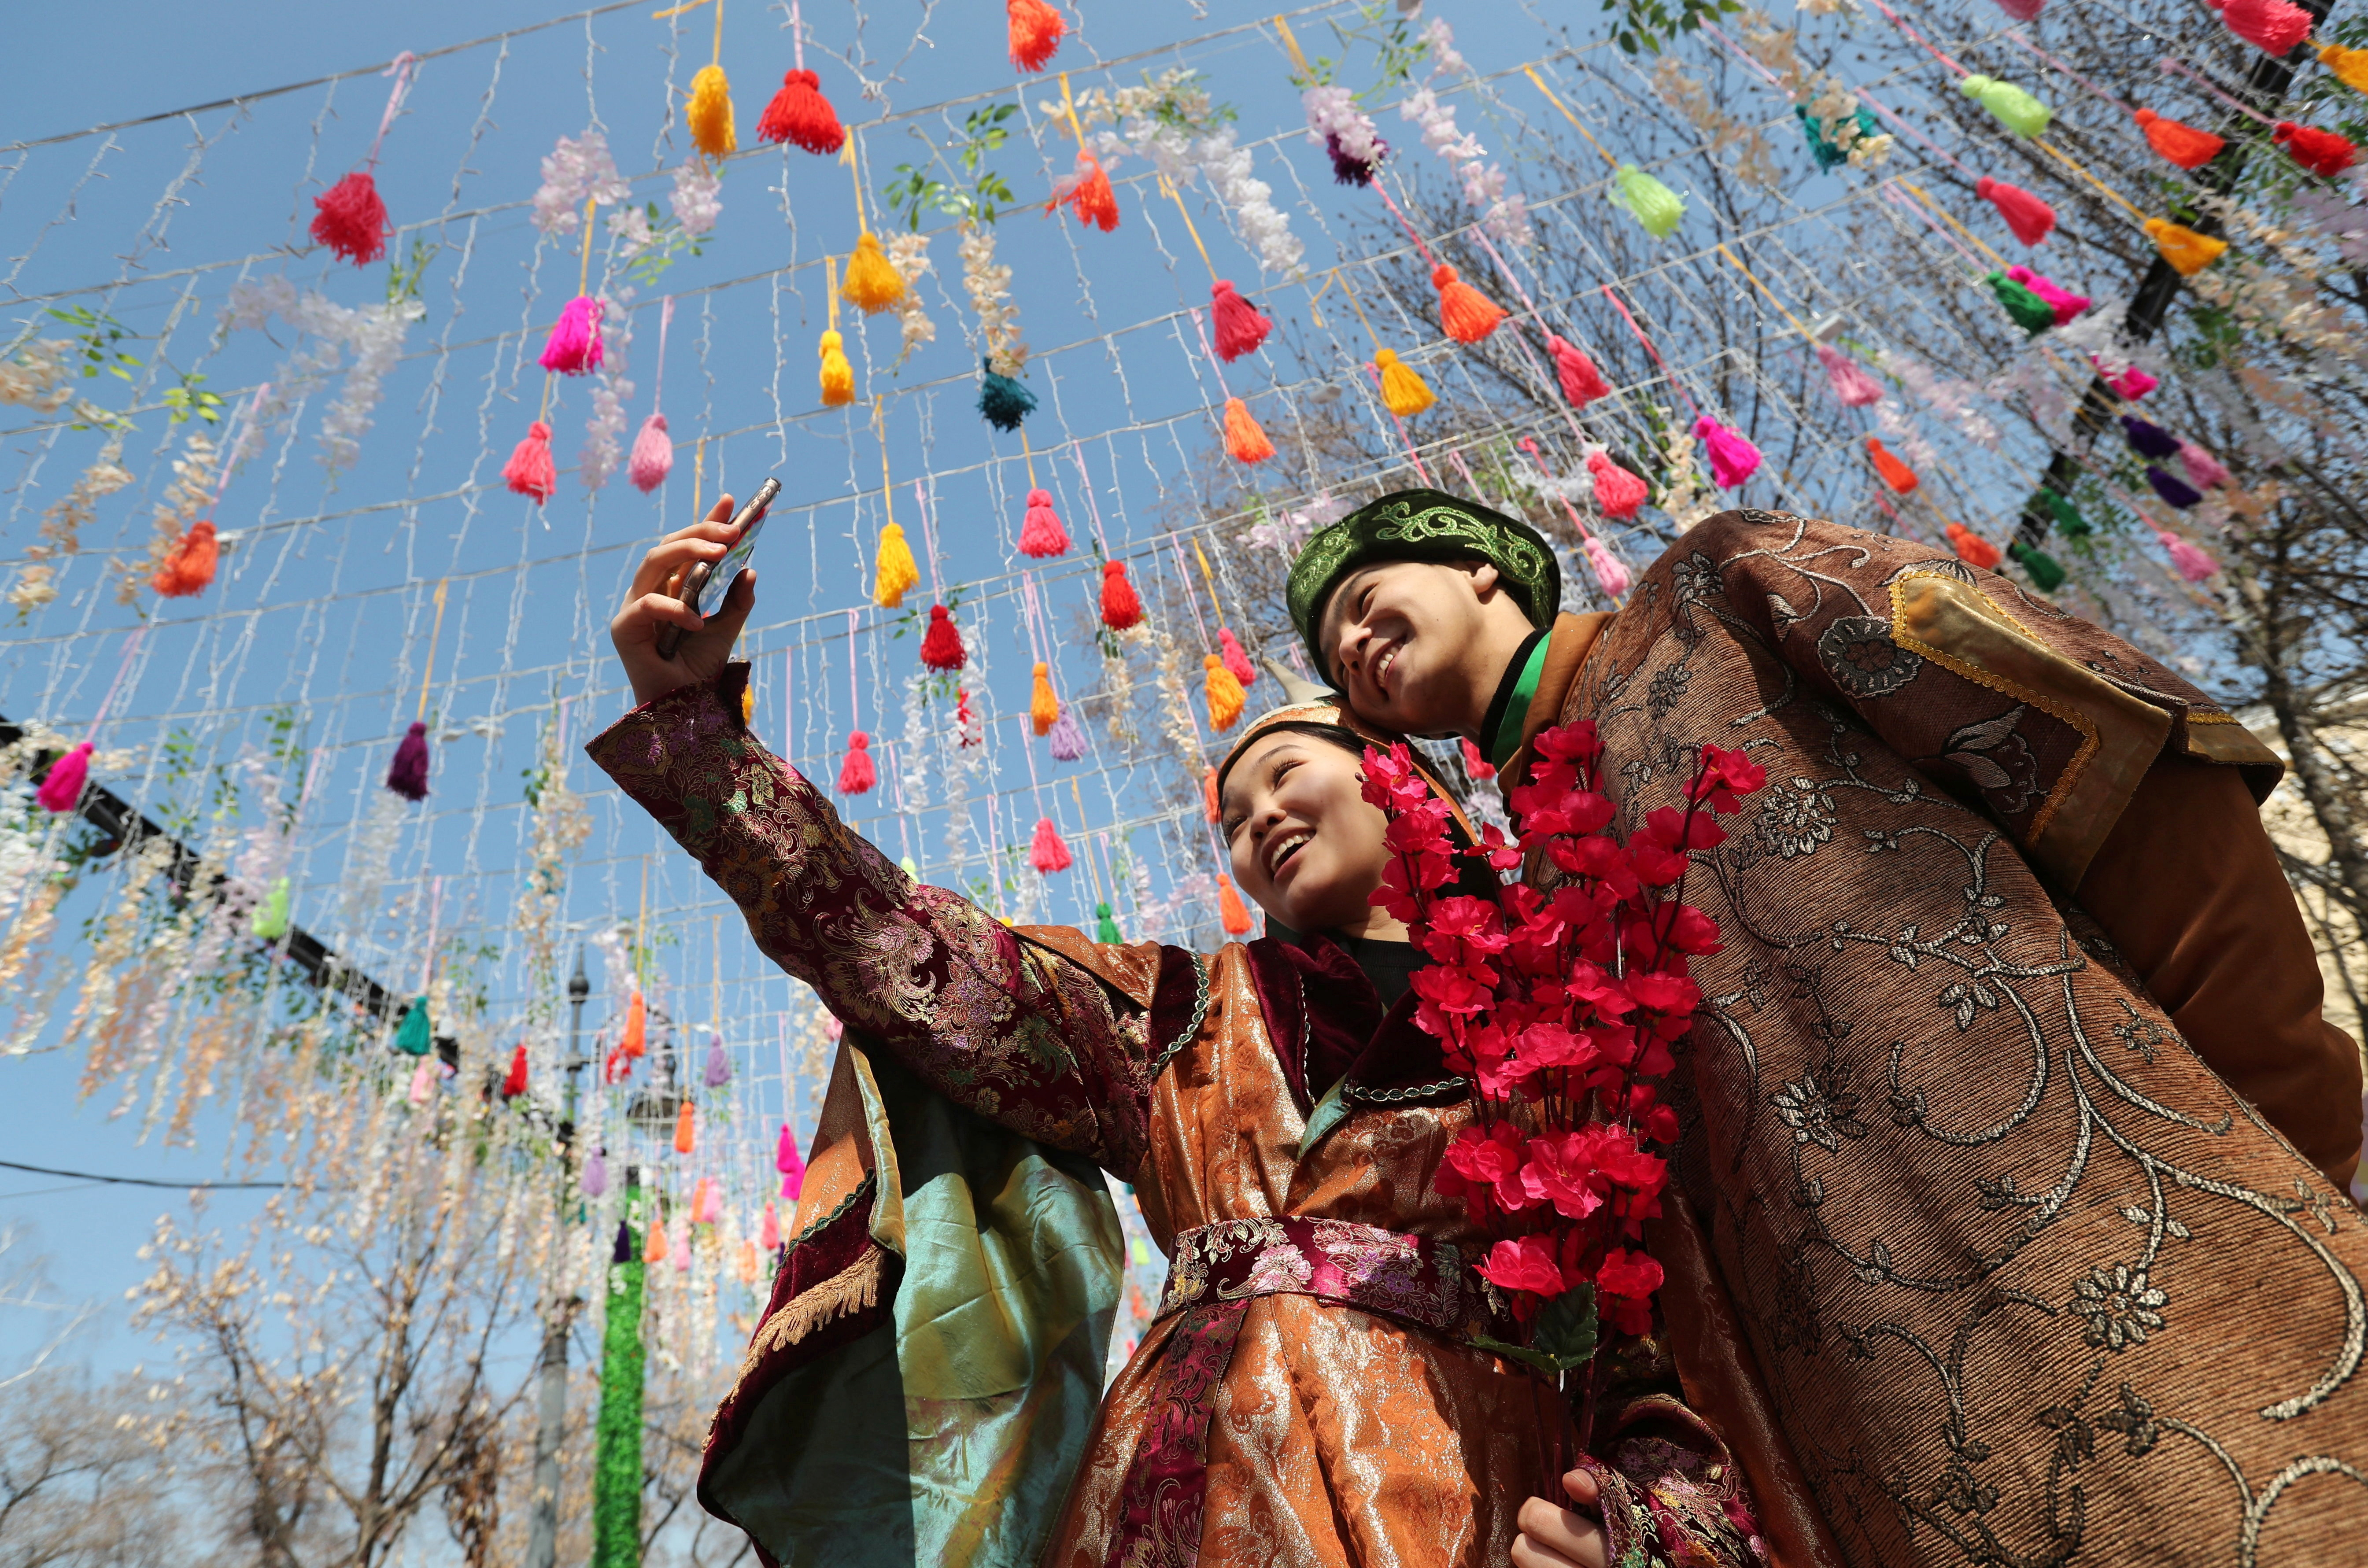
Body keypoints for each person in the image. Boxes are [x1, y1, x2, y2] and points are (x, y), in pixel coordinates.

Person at [586, 500, 1769, 1568]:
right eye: (1234, 825)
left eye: (1286, 777)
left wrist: (1636, 1524)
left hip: (1475, 1488)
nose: (1257, 825)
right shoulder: (1172, 1012)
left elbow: (1662, 1340)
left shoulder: (1576, 1015)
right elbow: (892, 939)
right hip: (1187, 1485)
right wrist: (693, 728)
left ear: (1408, 789)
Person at [1291, 488, 2368, 1567]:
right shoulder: (1529, 917)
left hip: (2183, 1299)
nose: (1349, 643)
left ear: (1481, 565)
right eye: (1333, 657)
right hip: (1886, 1479)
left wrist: (2290, 1125)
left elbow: (2115, 762)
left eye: (1364, 597)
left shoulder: (1723, 589)